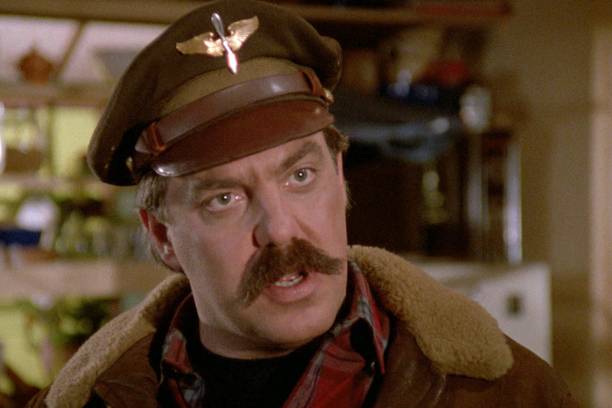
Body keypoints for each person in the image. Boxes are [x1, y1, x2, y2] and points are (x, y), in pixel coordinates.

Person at [29, 0, 577, 406]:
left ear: (339, 177)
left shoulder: (509, 393)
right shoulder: (91, 399)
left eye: (300, 175)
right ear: (162, 236)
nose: (280, 230)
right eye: (224, 198)